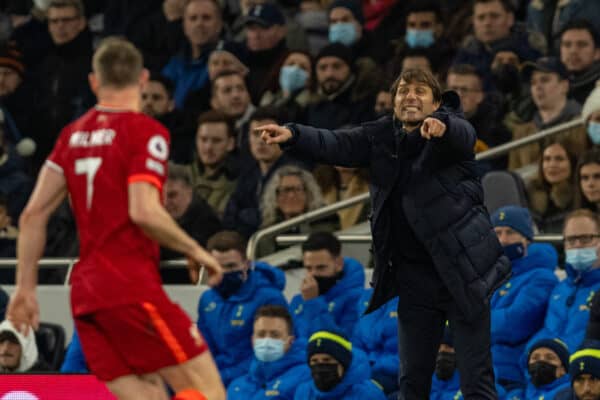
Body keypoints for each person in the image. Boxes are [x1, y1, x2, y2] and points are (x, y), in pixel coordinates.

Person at [259, 68, 510, 399]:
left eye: (421, 91)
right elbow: (335, 142)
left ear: (436, 102)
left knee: (476, 382)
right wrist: (293, 134)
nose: (410, 96)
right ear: (393, 102)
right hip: (414, 280)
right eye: (404, 91)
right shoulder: (379, 137)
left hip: (462, 274)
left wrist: (442, 126)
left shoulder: (450, 134)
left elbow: (463, 133)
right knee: (411, 383)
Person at [5, 38, 225, 400]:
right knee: (208, 390)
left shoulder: (71, 136)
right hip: (129, 286)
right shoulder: (145, 132)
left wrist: (25, 288)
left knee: (148, 393)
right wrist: (195, 249)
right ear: (143, 78)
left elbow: (32, 214)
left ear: (94, 82)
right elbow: (143, 210)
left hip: (86, 292)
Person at [196, 230, 288, 387]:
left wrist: (222, 377)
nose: (224, 272)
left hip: (254, 379)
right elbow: (204, 347)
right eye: (217, 266)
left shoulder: (268, 298)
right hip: (218, 376)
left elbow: (271, 354)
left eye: (231, 266)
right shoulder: (208, 300)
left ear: (246, 264)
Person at [490, 205, 559, 389]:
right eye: (497, 233)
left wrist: (473, 320)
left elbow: (514, 324)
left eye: (510, 232)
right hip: (477, 368)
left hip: (511, 375)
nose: (503, 240)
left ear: (527, 239)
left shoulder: (541, 277)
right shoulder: (488, 275)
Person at [527, 209, 600, 354]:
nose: (578, 245)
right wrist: (530, 357)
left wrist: (556, 357)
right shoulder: (560, 288)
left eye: (586, 238)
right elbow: (547, 331)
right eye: (571, 240)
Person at [509, 57, 588, 171]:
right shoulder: (522, 133)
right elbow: (514, 174)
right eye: (533, 82)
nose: (538, 87)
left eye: (545, 80)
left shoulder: (583, 124)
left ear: (564, 86)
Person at [288, 232, 364, 339]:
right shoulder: (298, 301)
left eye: (321, 268)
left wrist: (313, 303)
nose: (313, 274)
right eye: (309, 268)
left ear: (339, 264)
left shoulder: (357, 300)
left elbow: (341, 343)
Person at [227, 305, 311, 399]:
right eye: (261, 334)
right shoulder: (236, 386)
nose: (267, 340)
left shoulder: (306, 377)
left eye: (275, 335)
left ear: (290, 341)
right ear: (252, 340)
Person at [257, 165, 339, 257]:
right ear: (275, 197)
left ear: (308, 194)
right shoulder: (265, 234)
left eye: (298, 189)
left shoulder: (326, 222)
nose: (291, 195)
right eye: (285, 190)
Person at [293, 330, 387, 399]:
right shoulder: (303, 392)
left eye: (327, 360)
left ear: (343, 363)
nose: (320, 367)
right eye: (314, 361)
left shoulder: (368, 394)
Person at [161, 163, 222, 260]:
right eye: (161, 196)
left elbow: (190, 252)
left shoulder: (207, 221)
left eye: (172, 195)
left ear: (189, 191)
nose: (166, 202)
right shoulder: (157, 221)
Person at [188, 110, 239, 217]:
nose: (208, 147)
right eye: (203, 139)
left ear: (230, 143)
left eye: (216, 141)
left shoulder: (240, 181)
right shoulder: (183, 175)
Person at [353, 288, 399, 396]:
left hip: (394, 373)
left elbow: (414, 354)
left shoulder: (417, 297)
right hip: (366, 368)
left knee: (366, 392)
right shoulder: (366, 296)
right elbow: (356, 342)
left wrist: (373, 365)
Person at [527, 141, 578, 233]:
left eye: (559, 159)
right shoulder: (530, 192)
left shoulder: (581, 192)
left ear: (572, 163)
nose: (552, 165)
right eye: (547, 159)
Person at [505, 338, 571, 399]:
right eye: (535, 358)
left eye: (550, 358)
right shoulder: (516, 395)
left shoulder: (570, 393)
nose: (541, 361)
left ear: (563, 369)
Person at [559, 19, 600, 104]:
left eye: (582, 44)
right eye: (567, 45)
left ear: (597, 53)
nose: (573, 51)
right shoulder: (551, 85)